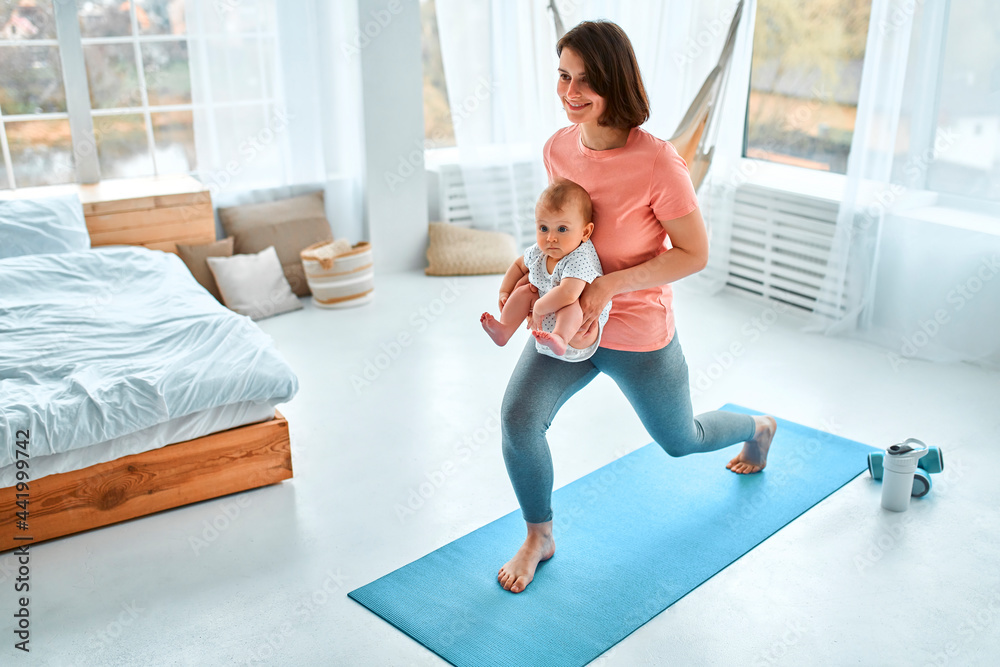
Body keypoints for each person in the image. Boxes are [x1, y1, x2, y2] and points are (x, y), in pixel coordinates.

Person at [496, 20, 778, 595]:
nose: (570, 91)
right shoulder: (557, 148)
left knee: (681, 440)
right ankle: (540, 535)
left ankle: (759, 426)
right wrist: (526, 274)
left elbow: (694, 254)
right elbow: (564, 234)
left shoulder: (658, 163)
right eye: (563, 75)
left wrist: (609, 288)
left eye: (585, 80)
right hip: (567, 324)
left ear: (614, 81)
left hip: (637, 330)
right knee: (519, 419)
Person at [481, 179, 612, 361]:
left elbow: (568, 293)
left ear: (585, 233)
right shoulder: (539, 252)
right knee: (525, 291)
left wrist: (540, 307)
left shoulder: (580, 256)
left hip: (578, 333)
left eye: (562, 229)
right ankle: (505, 329)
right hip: (545, 323)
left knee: (572, 305)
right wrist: (505, 291)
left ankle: (560, 337)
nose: (551, 238)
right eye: (543, 228)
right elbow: (519, 266)